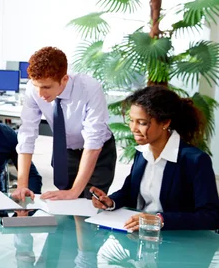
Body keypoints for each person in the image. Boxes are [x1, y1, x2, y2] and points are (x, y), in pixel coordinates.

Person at [91, 86, 219, 231]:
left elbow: (211, 217)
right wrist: (111, 201)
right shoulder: (142, 152)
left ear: (165, 123)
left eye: (142, 122)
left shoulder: (195, 160)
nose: (133, 128)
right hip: (139, 236)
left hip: (177, 241)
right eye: (131, 120)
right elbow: (129, 192)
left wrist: (159, 220)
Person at [13, 46, 116, 202]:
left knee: (89, 203)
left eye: (47, 87)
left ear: (64, 79)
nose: (40, 94)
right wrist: (22, 185)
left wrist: (74, 191)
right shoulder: (33, 89)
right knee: (66, 203)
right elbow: (27, 134)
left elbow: (93, 141)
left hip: (98, 153)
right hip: (65, 150)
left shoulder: (90, 88)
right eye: (37, 87)